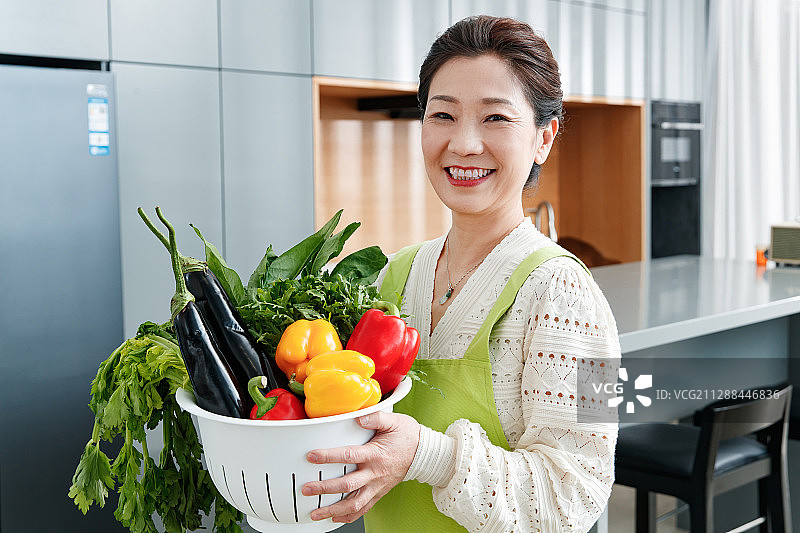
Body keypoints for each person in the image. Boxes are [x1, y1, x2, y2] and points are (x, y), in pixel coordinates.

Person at [301, 15, 620, 532]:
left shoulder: (572, 297)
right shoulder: (394, 275)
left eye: (495, 118)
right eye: (443, 115)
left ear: (543, 138)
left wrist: (428, 456)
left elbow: (579, 497)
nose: (465, 143)